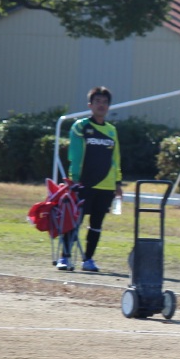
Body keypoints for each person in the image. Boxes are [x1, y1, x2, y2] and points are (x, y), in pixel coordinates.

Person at [59, 87, 122, 272]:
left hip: (106, 185)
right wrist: (74, 180)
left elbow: (116, 158)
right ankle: (65, 257)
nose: (101, 105)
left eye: (105, 102)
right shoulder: (81, 127)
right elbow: (75, 155)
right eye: (97, 102)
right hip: (83, 183)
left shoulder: (112, 130)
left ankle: (88, 259)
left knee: (96, 224)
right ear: (90, 105)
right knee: (75, 220)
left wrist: (118, 183)